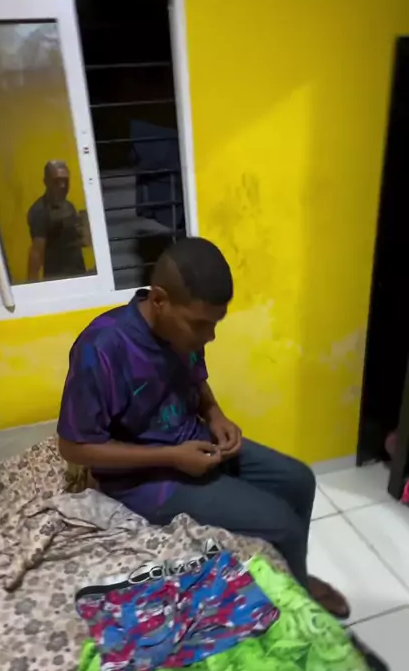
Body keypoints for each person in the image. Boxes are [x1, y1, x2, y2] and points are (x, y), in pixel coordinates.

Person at [58, 236, 346, 613]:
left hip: (192, 441)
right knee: (282, 524)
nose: (209, 336)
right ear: (158, 300)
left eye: (215, 324)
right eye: (200, 325)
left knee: (299, 480)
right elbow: (73, 447)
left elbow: (195, 379)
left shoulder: (182, 330)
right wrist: (172, 456)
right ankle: (301, 608)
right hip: (143, 481)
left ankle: (295, 574)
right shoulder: (102, 348)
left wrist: (215, 415)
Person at [27, 161, 86, 281]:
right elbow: (37, 252)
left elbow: (73, 239)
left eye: (66, 181)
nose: (62, 185)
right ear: (46, 182)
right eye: (57, 181)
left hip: (79, 274)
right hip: (58, 280)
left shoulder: (69, 206)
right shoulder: (40, 210)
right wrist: (32, 285)